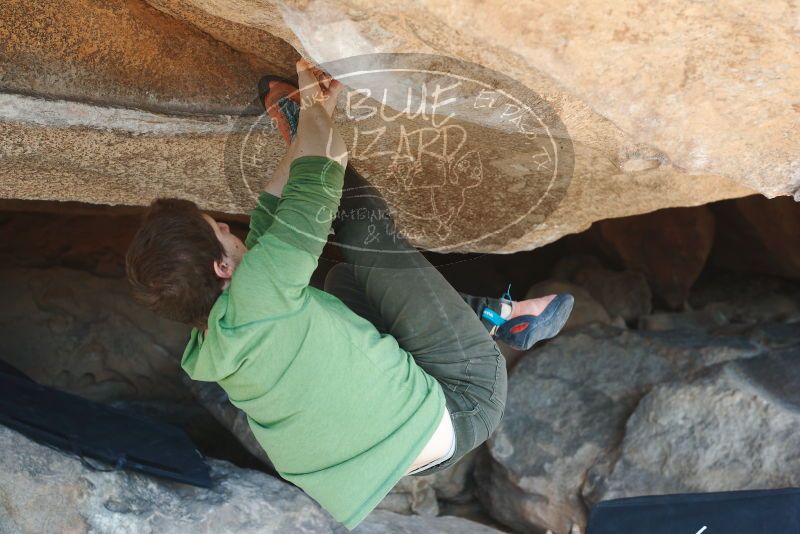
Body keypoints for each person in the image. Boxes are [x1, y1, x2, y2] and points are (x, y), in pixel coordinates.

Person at [125, 58, 574, 529]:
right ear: (221, 267)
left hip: (413, 454)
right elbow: (326, 174)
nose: (222, 223)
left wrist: (305, 132)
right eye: (214, 228)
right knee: (360, 230)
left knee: (346, 283)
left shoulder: (218, 337)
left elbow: (268, 226)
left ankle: (495, 317)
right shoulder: (259, 293)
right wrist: (318, 108)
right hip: (465, 397)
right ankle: (496, 318)